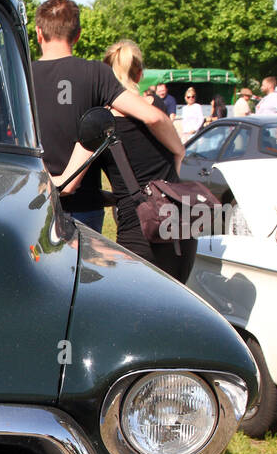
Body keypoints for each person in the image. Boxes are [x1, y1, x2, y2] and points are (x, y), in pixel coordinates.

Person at [33, 0, 183, 234]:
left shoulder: (20, 76)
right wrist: (179, 150)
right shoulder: (95, 73)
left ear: (39, 33)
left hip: (34, 203)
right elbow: (152, 117)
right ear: (78, 34)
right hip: (85, 209)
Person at [64, 39, 194, 282]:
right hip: (181, 228)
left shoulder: (100, 122)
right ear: (140, 74)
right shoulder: (156, 110)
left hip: (139, 228)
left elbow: (68, 182)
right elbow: (178, 153)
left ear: (104, 77)